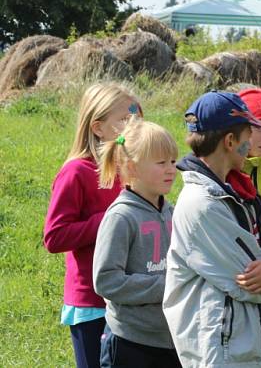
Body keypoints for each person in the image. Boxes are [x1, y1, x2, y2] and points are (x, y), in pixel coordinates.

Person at [163, 91, 261, 367]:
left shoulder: (240, 193)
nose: (251, 144)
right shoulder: (202, 204)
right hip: (222, 354)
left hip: (253, 347)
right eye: (246, 138)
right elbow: (253, 286)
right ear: (230, 141)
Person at [43, 82, 142, 368]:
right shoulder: (77, 171)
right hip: (92, 302)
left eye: (138, 118)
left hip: (130, 300)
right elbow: (55, 236)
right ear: (98, 127)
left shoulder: (134, 171)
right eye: (125, 119)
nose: (134, 126)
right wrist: (108, 221)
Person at [92, 119, 181, 367]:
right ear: (132, 168)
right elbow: (106, 280)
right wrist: (167, 286)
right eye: (161, 163)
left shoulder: (173, 212)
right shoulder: (121, 217)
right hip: (130, 341)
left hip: (171, 338)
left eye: (173, 162)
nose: (171, 169)